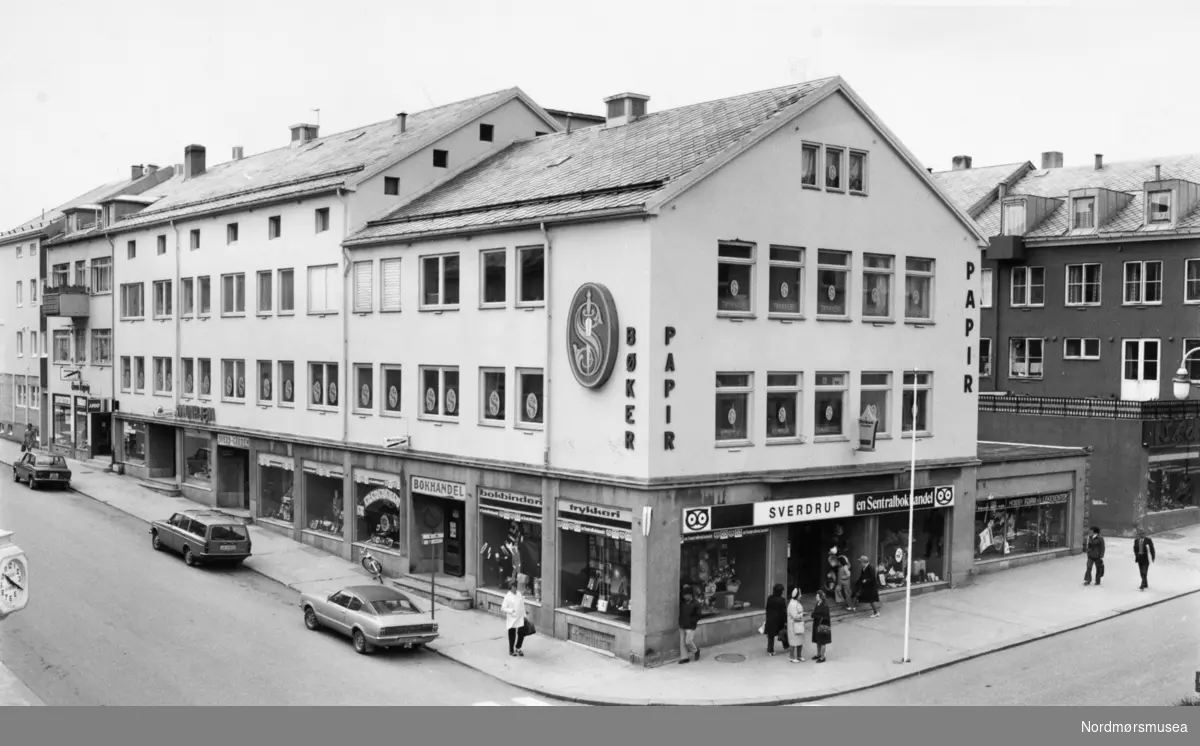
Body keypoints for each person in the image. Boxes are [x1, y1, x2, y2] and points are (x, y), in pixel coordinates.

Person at [501, 575, 528, 657]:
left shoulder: (519, 594)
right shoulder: (508, 597)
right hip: (512, 618)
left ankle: (518, 647)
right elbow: (503, 608)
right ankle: (511, 650)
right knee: (512, 634)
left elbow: (522, 604)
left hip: (520, 616)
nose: (516, 588)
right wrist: (511, 611)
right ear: (511, 587)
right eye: (515, 586)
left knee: (522, 633)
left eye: (516, 586)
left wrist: (525, 615)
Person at [678, 585, 702, 663]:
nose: (684, 596)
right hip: (682, 624)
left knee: (688, 641)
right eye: (683, 595)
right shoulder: (683, 603)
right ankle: (684, 658)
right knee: (682, 642)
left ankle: (695, 651)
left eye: (686, 595)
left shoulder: (696, 604)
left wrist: (692, 621)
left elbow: (698, 615)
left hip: (690, 626)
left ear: (690, 594)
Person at [764, 583, 787, 656]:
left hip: (770, 619)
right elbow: (783, 612)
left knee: (771, 636)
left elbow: (767, 608)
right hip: (779, 621)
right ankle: (786, 646)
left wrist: (767, 617)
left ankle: (770, 651)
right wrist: (785, 621)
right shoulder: (782, 600)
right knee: (783, 633)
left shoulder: (770, 598)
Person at [811, 590, 832, 663]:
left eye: (817, 596)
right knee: (818, 641)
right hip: (817, 625)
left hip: (823, 626)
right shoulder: (818, 603)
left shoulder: (825, 605)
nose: (816, 597)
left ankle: (822, 657)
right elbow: (815, 612)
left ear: (820, 597)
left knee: (823, 641)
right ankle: (818, 654)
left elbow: (826, 617)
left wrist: (816, 615)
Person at [786, 587, 806, 663]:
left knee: (800, 641)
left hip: (799, 625)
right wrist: (802, 614)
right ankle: (791, 657)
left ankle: (799, 656)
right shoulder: (792, 604)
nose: (801, 595)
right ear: (797, 595)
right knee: (793, 642)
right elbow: (795, 616)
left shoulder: (796, 602)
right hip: (793, 626)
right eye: (800, 594)